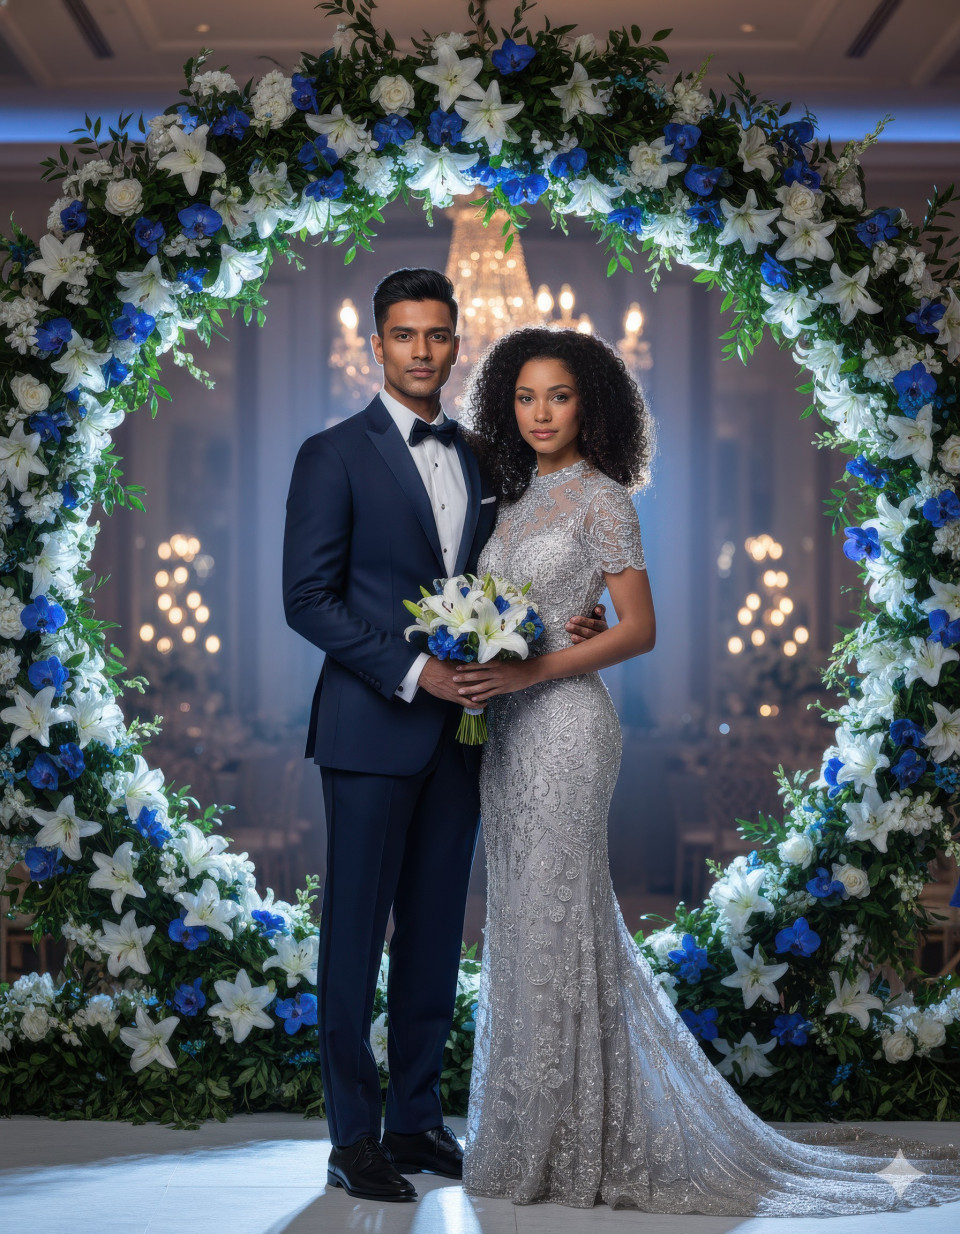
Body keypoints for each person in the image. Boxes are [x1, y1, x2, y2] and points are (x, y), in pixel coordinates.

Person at [455, 327, 960, 1215]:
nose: (540, 413)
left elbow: (639, 629)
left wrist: (534, 664)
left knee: (559, 912)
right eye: (526, 396)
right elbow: (517, 610)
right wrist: (493, 656)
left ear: (591, 404)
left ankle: (574, 1145)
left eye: (559, 395)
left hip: (569, 727)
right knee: (526, 919)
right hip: (507, 732)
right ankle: (534, 1130)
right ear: (507, 403)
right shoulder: (505, 500)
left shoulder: (605, 500)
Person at [281, 269, 606, 1204]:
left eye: (437, 336)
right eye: (404, 335)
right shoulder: (331, 454)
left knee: (431, 936)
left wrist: (567, 624)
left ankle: (415, 1121)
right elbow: (307, 599)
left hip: (466, 737)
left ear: (457, 344)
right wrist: (414, 668)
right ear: (375, 346)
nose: (422, 350)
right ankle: (353, 1139)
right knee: (353, 937)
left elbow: (512, 581)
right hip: (370, 729)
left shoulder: (483, 459)